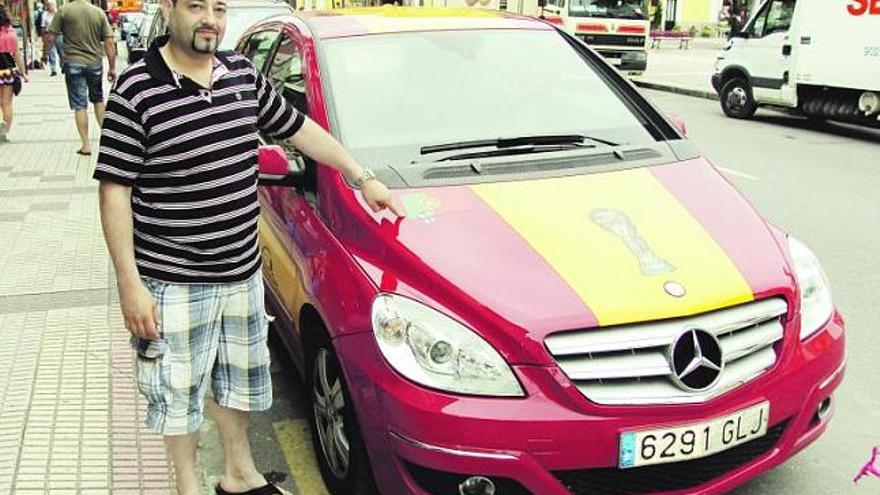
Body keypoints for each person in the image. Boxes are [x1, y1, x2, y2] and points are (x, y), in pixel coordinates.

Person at [93, 0, 401, 493]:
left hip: (241, 271)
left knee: (237, 381)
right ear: (170, 10)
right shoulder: (137, 88)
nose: (209, 19)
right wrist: (130, 285)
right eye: (195, 6)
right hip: (172, 280)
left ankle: (239, 475)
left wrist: (360, 174)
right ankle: (189, 483)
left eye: (217, 7)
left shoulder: (241, 73)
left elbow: (298, 129)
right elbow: (114, 191)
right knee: (177, 392)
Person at [46, 0, 116, 156]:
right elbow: (109, 42)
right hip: (94, 63)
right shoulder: (98, 12)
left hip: (73, 62)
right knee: (98, 100)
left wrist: (45, 55)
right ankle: (110, 142)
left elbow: (51, 36)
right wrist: (112, 67)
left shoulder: (64, 11)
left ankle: (86, 145)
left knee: (80, 105)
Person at [0, 5, 27, 142]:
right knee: (7, 103)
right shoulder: (10, 33)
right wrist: (23, 73)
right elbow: (17, 55)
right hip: (7, 71)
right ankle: (5, 132)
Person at [41, 0, 62, 76]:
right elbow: (43, 26)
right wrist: (43, 37)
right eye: (48, 5)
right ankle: (53, 69)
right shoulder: (44, 15)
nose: (49, 7)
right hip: (49, 34)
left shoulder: (59, 14)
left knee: (61, 51)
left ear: (54, 5)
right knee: (51, 52)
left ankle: (63, 66)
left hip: (59, 34)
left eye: (50, 5)